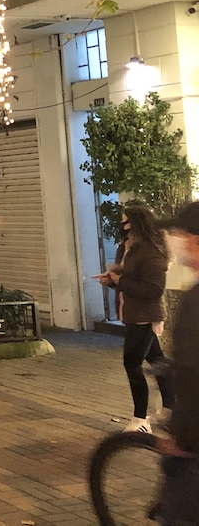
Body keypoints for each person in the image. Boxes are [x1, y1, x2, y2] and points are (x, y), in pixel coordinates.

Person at [97, 205, 175, 433]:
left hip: (144, 316)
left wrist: (119, 281)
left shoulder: (151, 252)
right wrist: (111, 280)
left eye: (126, 222)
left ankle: (141, 420)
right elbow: (126, 278)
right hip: (132, 313)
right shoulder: (127, 248)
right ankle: (171, 408)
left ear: (137, 223)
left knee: (132, 364)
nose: (123, 227)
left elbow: (154, 289)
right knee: (157, 360)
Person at [156, 202, 199, 524]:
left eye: (182, 235)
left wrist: (180, 437)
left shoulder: (195, 300)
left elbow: (191, 374)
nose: (178, 242)